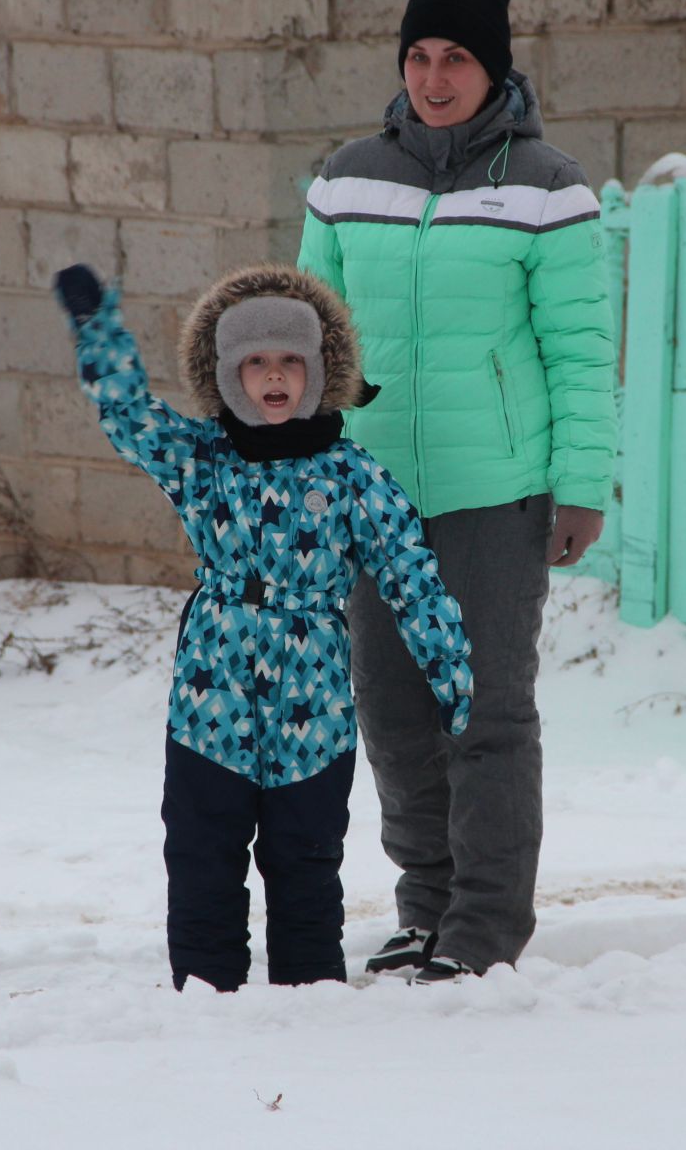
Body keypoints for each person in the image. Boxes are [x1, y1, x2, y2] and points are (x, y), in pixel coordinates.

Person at [296, 0, 615, 983]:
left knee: (483, 713)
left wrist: (582, 486)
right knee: (392, 711)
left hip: (498, 491)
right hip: (375, 491)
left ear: (494, 68)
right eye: (420, 56)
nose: (435, 77)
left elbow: (578, 349)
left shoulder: (549, 188)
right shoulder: (346, 180)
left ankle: (483, 925)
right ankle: (423, 905)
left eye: (457, 58)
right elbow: (309, 339)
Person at [54, 261, 473, 992]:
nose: (273, 377)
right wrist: (99, 332)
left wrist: (448, 668)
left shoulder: (350, 475)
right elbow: (128, 415)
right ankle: (206, 992)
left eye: (290, 362)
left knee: (306, 854)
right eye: (255, 363)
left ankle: (308, 994)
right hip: (212, 686)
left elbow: (410, 571)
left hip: (312, 698)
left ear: (318, 371)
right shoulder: (201, 461)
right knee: (201, 848)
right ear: (227, 375)